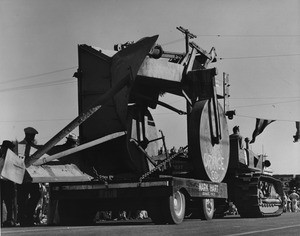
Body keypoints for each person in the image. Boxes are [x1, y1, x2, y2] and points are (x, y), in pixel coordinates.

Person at [17, 127, 42, 226]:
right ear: (28, 135)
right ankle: (24, 218)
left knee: (36, 195)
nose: (33, 137)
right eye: (32, 136)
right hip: (23, 176)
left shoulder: (33, 146)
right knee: (22, 199)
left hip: (32, 176)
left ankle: (28, 216)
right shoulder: (21, 146)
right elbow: (20, 160)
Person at [0, 140, 17, 227]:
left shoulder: (12, 159)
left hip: (8, 182)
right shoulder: (1, 157)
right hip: (1, 182)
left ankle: (9, 220)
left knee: (9, 203)